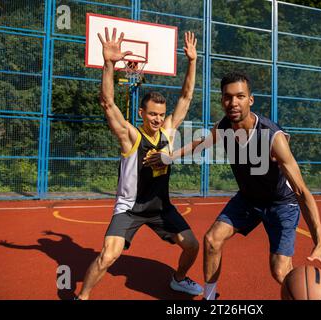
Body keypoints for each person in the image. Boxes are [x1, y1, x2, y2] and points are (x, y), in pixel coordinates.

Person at [144, 71, 321, 300]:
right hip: (248, 198)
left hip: (281, 203)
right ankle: (210, 298)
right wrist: (170, 156)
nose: (233, 102)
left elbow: (301, 191)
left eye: (240, 96)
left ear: (251, 99)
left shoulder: (271, 137)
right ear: (222, 100)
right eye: (228, 97)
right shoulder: (225, 126)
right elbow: (202, 142)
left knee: (280, 272)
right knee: (211, 240)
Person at [76, 28, 202, 299]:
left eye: (161, 114)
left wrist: (192, 62)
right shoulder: (131, 136)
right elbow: (108, 104)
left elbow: (186, 98)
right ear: (142, 113)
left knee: (192, 246)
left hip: (160, 208)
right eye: (152, 114)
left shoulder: (167, 132)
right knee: (108, 256)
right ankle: (82, 296)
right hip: (130, 209)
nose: (157, 119)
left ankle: (178, 279)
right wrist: (109, 64)